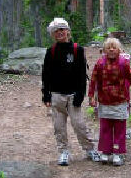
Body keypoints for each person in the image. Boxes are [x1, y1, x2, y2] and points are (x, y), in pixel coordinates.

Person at [42, 17, 100, 166]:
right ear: (52, 35)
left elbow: (82, 73)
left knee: (79, 125)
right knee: (59, 127)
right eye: (56, 31)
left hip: (73, 95)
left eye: (62, 29)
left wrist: (81, 93)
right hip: (56, 95)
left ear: (67, 31)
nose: (59, 33)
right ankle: (63, 152)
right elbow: (46, 74)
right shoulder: (51, 51)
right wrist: (46, 94)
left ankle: (89, 149)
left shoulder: (77, 50)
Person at [88, 37, 131, 166]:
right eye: (108, 47)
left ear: (119, 50)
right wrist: (91, 96)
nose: (111, 49)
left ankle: (117, 153)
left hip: (120, 101)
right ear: (104, 50)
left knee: (119, 128)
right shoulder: (100, 63)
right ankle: (105, 152)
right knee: (105, 128)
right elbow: (93, 80)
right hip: (104, 101)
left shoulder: (124, 63)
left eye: (114, 47)